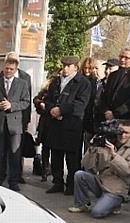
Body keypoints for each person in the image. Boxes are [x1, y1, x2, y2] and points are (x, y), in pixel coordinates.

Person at [96, 46, 130, 197]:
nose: (123, 60)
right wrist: (106, 111)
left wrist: (117, 112)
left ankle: (127, 190)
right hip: (111, 120)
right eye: (121, 57)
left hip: (129, 121)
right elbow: (104, 96)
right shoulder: (113, 75)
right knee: (109, 154)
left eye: (126, 57)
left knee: (127, 156)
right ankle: (106, 185)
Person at [68, 120, 130, 218]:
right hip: (101, 183)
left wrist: (114, 155)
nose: (122, 135)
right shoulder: (106, 143)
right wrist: (92, 149)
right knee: (80, 175)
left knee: (96, 213)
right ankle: (81, 204)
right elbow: (87, 165)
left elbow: (129, 170)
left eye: (126, 133)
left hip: (116, 190)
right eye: (120, 132)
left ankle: (115, 204)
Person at [44, 56, 91, 195]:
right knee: (56, 155)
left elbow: (81, 104)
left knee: (72, 158)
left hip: (72, 125)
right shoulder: (56, 81)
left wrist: (61, 110)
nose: (65, 68)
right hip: (55, 123)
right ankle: (57, 182)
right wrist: (51, 108)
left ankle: (71, 185)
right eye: (64, 65)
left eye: (68, 66)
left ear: (75, 67)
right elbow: (49, 98)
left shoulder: (83, 83)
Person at [0, 57, 30, 191]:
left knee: (15, 154)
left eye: (11, 69)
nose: (8, 71)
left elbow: (26, 102)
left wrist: (12, 105)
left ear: (16, 69)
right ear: (3, 68)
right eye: (6, 68)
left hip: (15, 125)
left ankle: (13, 181)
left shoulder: (22, 83)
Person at [80, 57, 99, 152]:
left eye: (89, 68)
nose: (87, 70)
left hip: (89, 118)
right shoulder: (79, 80)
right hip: (80, 116)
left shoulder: (95, 82)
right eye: (85, 68)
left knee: (88, 147)